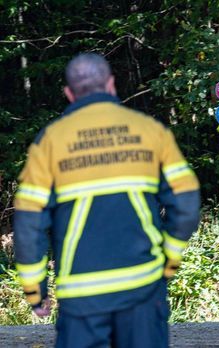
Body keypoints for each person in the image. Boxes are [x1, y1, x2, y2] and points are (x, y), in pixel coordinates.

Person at [13, 53, 201, 347]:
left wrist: (35, 292)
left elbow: (28, 224)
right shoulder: (151, 131)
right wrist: (169, 262)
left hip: (81, 296)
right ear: (112, 85)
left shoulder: (50, 141)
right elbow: (187, 204)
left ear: (69, 94)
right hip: (143, 287)